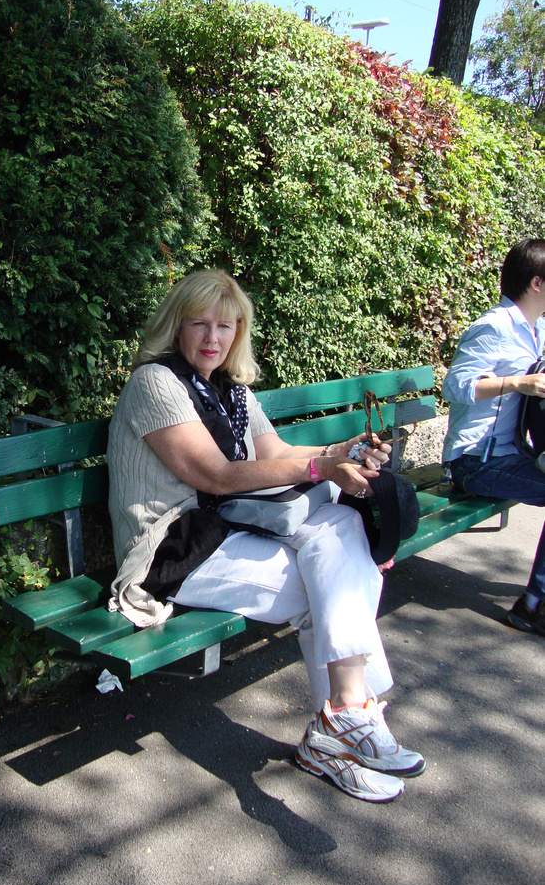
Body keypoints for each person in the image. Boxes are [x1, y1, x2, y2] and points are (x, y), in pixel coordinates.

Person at [106, 268, 426, 803]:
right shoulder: (155, 383)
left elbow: (275, 454)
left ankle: (344, 717)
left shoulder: (230, 390)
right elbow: (214, 475)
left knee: (342, 533)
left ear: (239, 332)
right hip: (171, 547)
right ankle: (338, 733)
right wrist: (322, 469)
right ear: (176, 325)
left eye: (226, 327)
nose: (213, 338)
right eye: (200, 324)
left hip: (229, 527)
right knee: (330, 588)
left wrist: (344, 452)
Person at [442, 238, 545, 636]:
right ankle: (533, 605)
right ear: (537, 282)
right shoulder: (493, 327)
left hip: (511, 454)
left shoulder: (536, 330)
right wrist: (517, 382)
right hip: (474, 461)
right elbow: (455, 385)